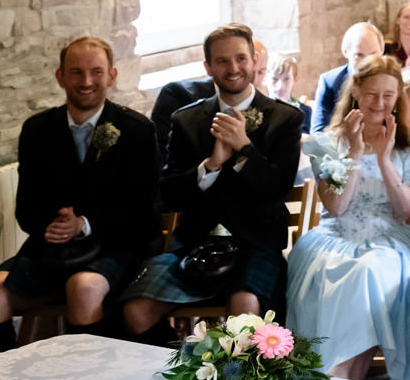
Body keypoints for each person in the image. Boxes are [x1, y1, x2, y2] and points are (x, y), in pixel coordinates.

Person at [0, 37, 159, 357]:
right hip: (51, 251)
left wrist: (83, 224)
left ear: (111, 76)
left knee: (83, 288)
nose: (86, 82)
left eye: (96, 72)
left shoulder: (136, 129)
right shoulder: (37, 129)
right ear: (60, 77)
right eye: (76, 72)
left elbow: (143, 213)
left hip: (117, 247)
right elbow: (26, 209)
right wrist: (55, 226)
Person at [123, 25, 305, 340]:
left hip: (256, 245)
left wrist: (245, 148)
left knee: (244, 306)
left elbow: (276, 188)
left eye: (240, 58)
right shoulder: (186, 119)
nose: (233, 68)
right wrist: (211, 164)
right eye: (222, 61)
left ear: (254, 60)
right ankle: (179, 374)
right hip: (193, 243)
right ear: (208, 67)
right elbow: (169, 194)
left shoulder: (284, 118)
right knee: (135, 310)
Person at [285, 54, 410, 380]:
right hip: (335, 236)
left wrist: (384, 159)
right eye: (371, 94)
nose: (379, 103)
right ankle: (340, 377)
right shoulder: (326, 141)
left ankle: (340, 379)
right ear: (356, 92)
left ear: (398, 98)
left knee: (369, 271)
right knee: (342, 272)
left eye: (388, 95)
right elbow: (335, 207)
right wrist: (353, 151)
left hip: (390, 237)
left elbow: (406, 211)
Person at [313, 22, 385, 134]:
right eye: (359, 55)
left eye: (372, 55)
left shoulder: (392, 82)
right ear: (346, 52)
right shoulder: (330, 82)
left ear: (382, 50)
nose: (367, 63)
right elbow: (317, 136)